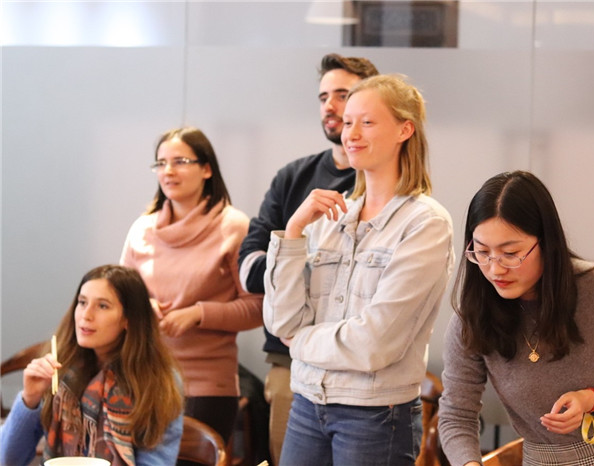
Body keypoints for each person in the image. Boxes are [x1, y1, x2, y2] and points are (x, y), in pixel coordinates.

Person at [263, 74, 455, 466]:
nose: (350, 133)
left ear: (405, 130)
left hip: (374, 414)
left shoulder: (425, 223)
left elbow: (374, 343)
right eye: (348, 122)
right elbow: (281, 320)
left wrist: (299, 343)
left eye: (366, 122)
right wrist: (294, 230)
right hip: (307, 403)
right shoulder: (329, 216)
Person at [438, 170, 594, 465]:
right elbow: (456, 415)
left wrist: (592, 399)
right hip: (547, 459)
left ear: (546, 242)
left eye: (510, 253)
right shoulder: (473, 318)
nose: (495, 269)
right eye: (482, 252)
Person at [237, 53, 378, 465]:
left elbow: (362, 283)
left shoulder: (382, 184)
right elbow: (248, 270)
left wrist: (292, 261)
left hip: (362, 371)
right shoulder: (292, 177)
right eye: (323, 97)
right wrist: (306, 261)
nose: (330, 107)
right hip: (290, 360)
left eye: (342, 95)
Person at [120, 127, 263, 446]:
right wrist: (143, 307)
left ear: (206, 169)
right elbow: (119, 298)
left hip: (206, 386)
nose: (168, 171)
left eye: (180, 161)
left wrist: (198, 314)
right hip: (144, 378)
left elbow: (258, 307)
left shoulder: (234, 226)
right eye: (161, 163)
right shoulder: (142, 228)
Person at [0, 265, 184, 466]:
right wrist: (29, 399)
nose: (86, 315)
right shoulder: (60, 368)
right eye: (82, 302)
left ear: (129, 319)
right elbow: (8, 459)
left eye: (102, 306)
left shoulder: (157, 381)